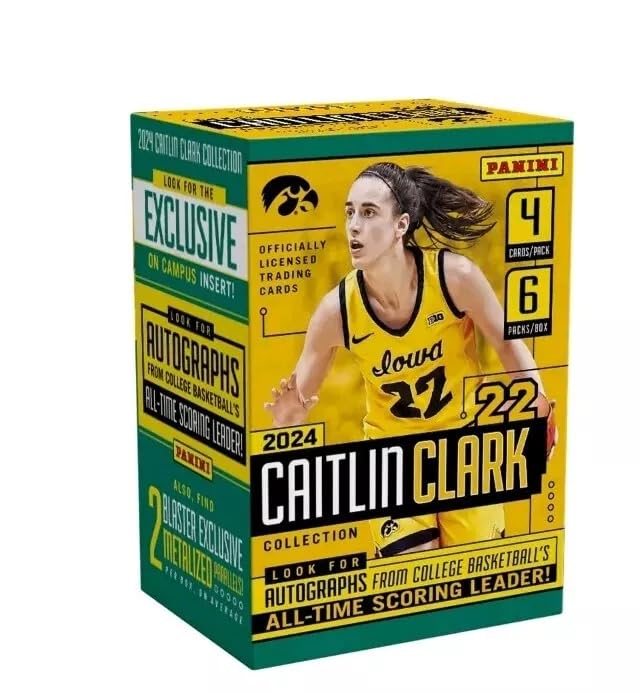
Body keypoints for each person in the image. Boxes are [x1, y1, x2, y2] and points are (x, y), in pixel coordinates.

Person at [264, 161, 556, 557]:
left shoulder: (454, 277)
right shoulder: (336, 311)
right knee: (414, 573)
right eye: (350, 212)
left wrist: (536, 397)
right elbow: (298, 402)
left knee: (471, 575)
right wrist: (286, 417)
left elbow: (507, 342)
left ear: (401, 225)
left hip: (465, 448)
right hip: (393, 459)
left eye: (369, 213)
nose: (354, 226)